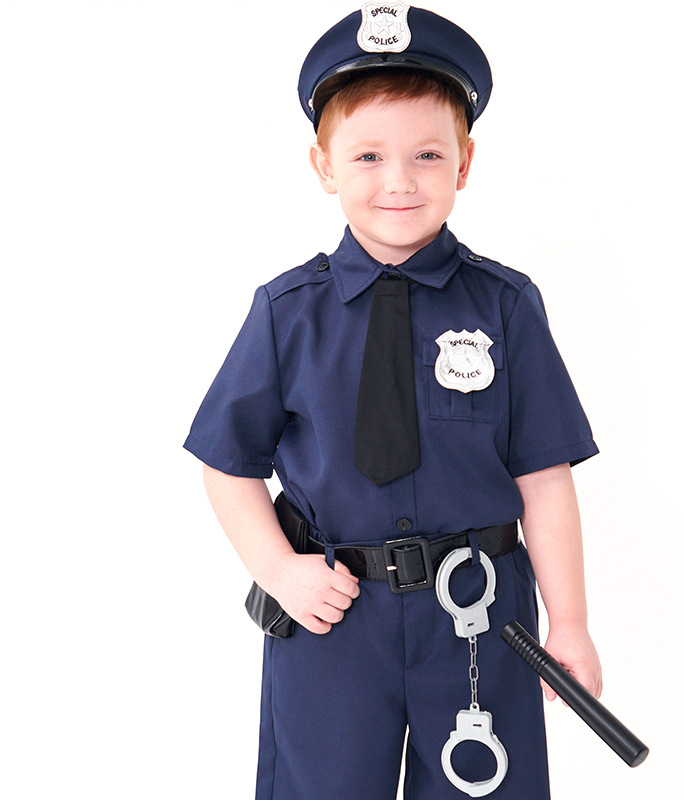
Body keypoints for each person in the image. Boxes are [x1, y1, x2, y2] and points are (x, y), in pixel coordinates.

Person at [184, 4, 602, 798]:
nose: (400, 180)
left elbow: (545, 478)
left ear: (464, 163)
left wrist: (570, 621)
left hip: (477, 615)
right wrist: (279, 570)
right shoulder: (285, 313)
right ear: (324, 166)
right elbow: (226, 464)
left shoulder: (506, 306)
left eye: (427, 155)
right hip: (333, 615)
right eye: (369, 155)